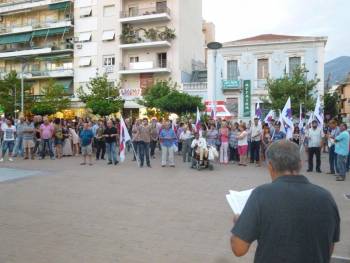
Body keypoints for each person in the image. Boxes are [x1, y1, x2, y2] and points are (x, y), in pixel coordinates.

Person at [230, 140, 340, 263]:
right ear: (300, 164)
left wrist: (238, 223)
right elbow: (329, 247)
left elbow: (239, 249)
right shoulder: (326, 198)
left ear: (270, 166)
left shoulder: (261, 195)